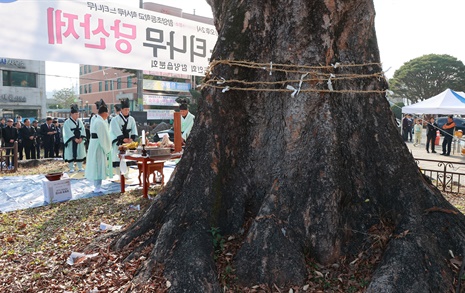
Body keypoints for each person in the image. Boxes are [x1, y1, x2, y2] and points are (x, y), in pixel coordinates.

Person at [85, 101, 112, 193]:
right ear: (104, 113)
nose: (108, 115)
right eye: (107, 113)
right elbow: (103, 136)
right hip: (98, 145)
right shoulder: (99, 122)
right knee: (98, 165)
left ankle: (98, 185)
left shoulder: (99, 120)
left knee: (98, 165)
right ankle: (97, 187)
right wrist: (108, 148)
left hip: (96, 144)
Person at [110, 98, 138, 176]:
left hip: (128, 141)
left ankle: (127, 174)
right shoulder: (115, 120)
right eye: (125, 110)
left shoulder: (132, 119)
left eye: (128, 110)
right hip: (119, 142)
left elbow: (134, 129)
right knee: (118, 158)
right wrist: (123, 139)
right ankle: (120, 175)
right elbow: (116, 130)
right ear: (121, 110)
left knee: (127, 158)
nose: (127, 111)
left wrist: (131, 138)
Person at [63, 104, 87, 173]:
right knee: (70, 153)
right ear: (72, 114)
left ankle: (80, 167)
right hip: (71, 141)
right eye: (76, 114)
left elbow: (83, 129)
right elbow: (67, 131)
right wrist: (74, 138)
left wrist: (81, 138)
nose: (77, 115)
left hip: (79, 139)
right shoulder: (67, 122)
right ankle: (71, 167)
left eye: (78, 114)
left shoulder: (80, 121)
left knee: (80, 152)